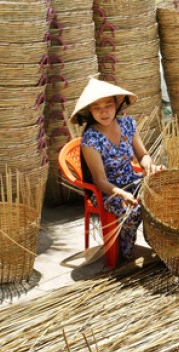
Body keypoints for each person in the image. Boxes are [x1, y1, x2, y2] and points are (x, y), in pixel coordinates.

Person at [70, 78, 162, 262]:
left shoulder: (127, 124)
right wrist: (122, 194)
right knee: (134, 211)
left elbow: (142, 155)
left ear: (116, 105)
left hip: (131, 179)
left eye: (108, 105)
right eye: (96, 107)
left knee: (162, 194)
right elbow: (100, 181)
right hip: (106, 191)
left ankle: (163, 244)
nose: (103, 111)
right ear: (89, 111)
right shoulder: (91, 139)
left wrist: (150, 167)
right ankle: (126, 253)